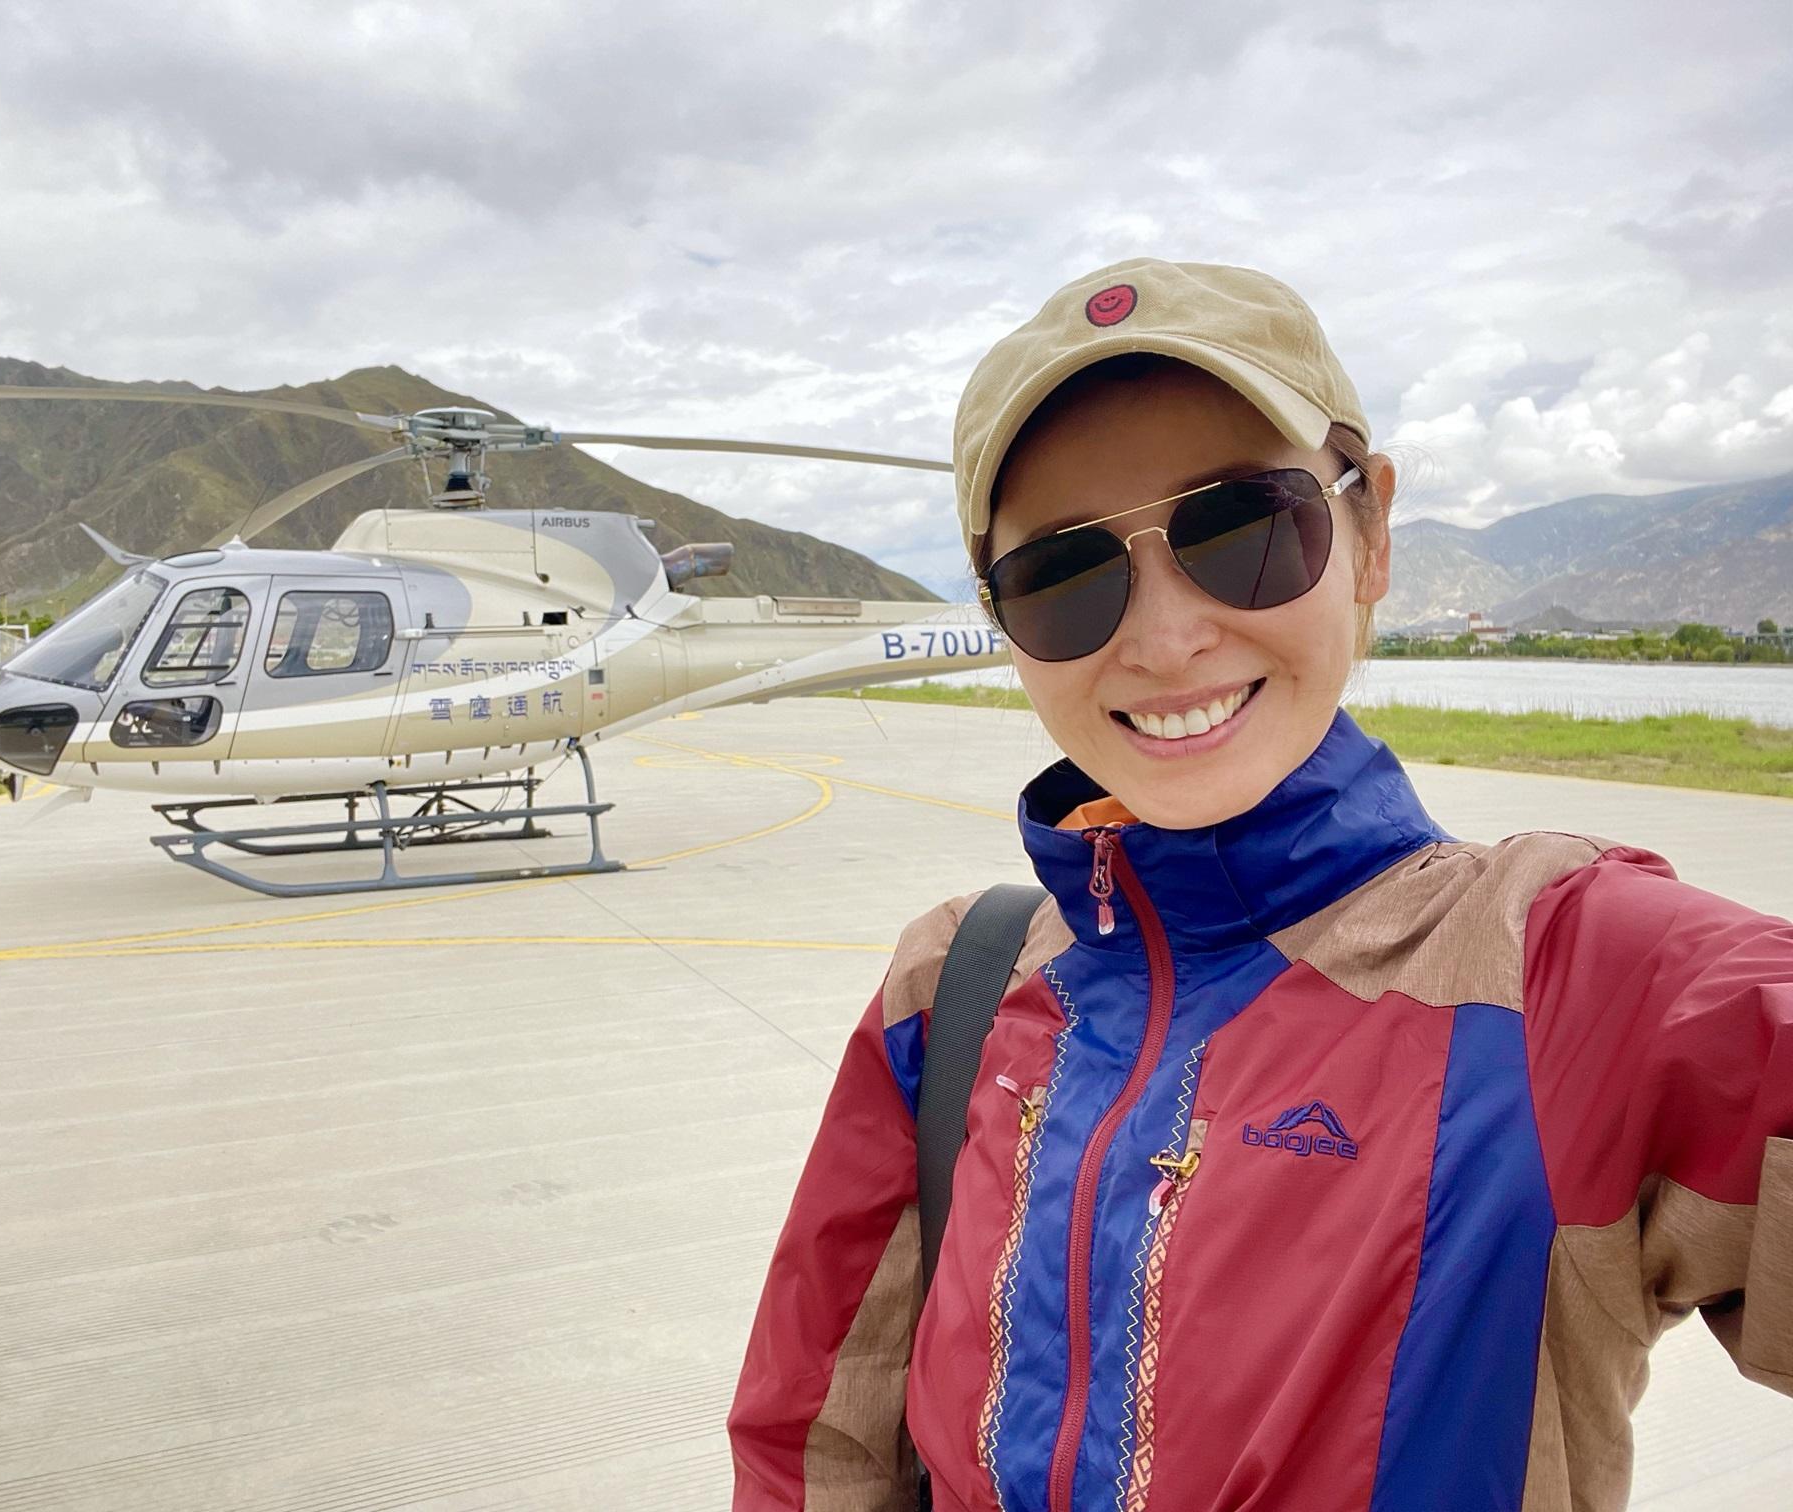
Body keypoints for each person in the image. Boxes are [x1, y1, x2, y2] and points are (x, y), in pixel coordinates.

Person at [725, 258, 1793, 1512]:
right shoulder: (950, 991)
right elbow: (814, 1448)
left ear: (1371, 534)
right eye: (1063, 578)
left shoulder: (1565, 978)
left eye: (1243, 528)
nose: (1166, 639)